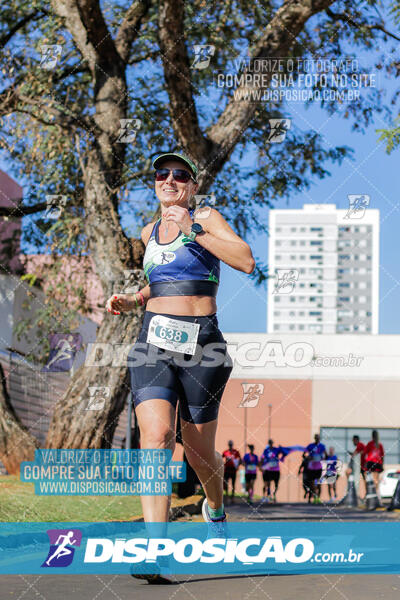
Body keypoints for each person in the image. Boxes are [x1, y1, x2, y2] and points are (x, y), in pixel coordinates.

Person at [106, 152, 255, 584]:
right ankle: (155, 550)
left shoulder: (207, 217)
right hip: (152, 339)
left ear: (191, 184)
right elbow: (164, 278)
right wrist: (134, 298)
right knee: (155, 437)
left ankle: (216, 509)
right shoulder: (149, 231)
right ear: (155, 183)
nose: (169, 180)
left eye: (180, 175)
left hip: (203, 345)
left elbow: (245, 260)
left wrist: (194, 227)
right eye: (162, 174)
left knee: (198, 452)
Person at [304, 433, 327, 504]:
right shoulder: (310, 446)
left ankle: (317, 498)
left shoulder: (322, 446)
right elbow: (304, 455)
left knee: (318, 483)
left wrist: (323, 458)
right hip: (311, 468)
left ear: (320, 439)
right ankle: (312, 497)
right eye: (316, 438)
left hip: (319, 467)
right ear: (314, 438)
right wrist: (309, 458)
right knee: (312, 484)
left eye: (318, 438)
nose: (317, 439)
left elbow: (326, 455)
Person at [363, 430, 385, 501]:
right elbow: (382, 456)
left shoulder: (370, 444)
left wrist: (365, 463)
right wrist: (382, 464)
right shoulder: (379, 444)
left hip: (371, 463)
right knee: (376, 480)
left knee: (368, 479)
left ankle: (370, 495)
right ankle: (377, 496)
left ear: (372, 436)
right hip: (377, 463)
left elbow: (365, 453)